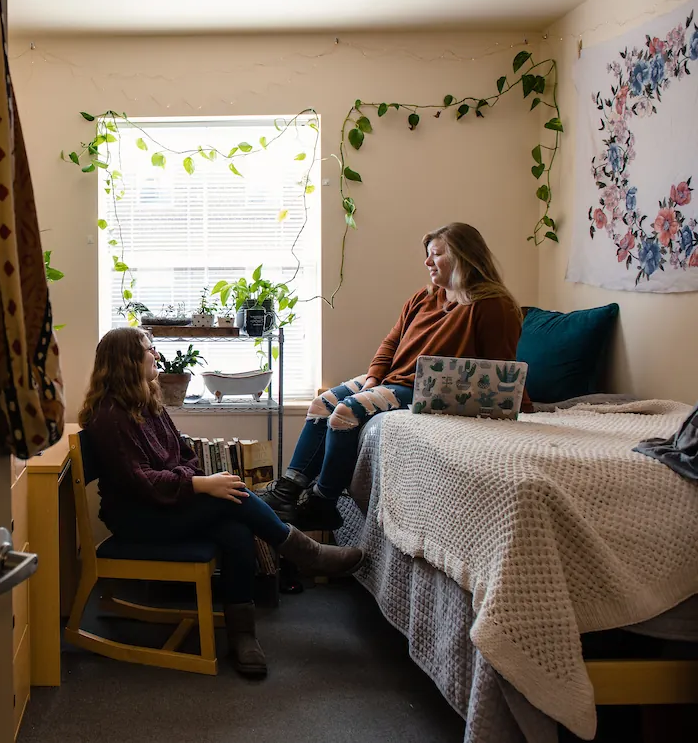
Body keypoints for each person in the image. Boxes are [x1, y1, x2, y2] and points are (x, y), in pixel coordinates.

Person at [79, 326, 363, 678]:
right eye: (148, 348)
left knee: (234, 527)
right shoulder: (109, 416)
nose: (155, 353)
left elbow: (184, 454)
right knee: (232, 497)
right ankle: (305, 553)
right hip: (138, 518)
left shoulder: (147, 404)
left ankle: (243, 634)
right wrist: (200, 484)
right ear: (127, 360)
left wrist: (196, 480)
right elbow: (141, 482)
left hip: (164, 504)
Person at [259, 222, 530, 531]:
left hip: (425, 388)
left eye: (436, 254)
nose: (427, 262)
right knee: (322, 405)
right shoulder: (423, 298)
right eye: (427, 255)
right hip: (393, 378)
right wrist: (374, 378)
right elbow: (390, 342)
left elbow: (499, 369)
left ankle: (323, 502)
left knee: (345, 413)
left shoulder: (493, 306)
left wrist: (512, 404)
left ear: (463, 258)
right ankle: (287, 491)